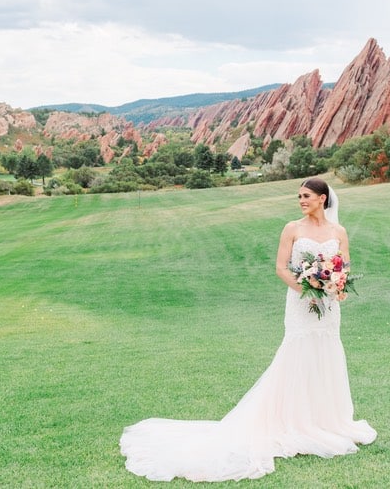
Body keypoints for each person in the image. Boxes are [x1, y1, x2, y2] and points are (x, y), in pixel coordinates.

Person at [120, 177, 376, 482]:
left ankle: (326, 420)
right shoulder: (292, 229)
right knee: (297, 353)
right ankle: (292, 421)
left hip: (328, 309)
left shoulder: (339, 232)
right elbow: (281, 267)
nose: (301, 200)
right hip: (300, 303)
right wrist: (307, 288)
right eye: (299, 196)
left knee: (326, 352)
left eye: (306, 196)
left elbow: (343, 267)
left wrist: (336, 287)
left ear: (322, 198)